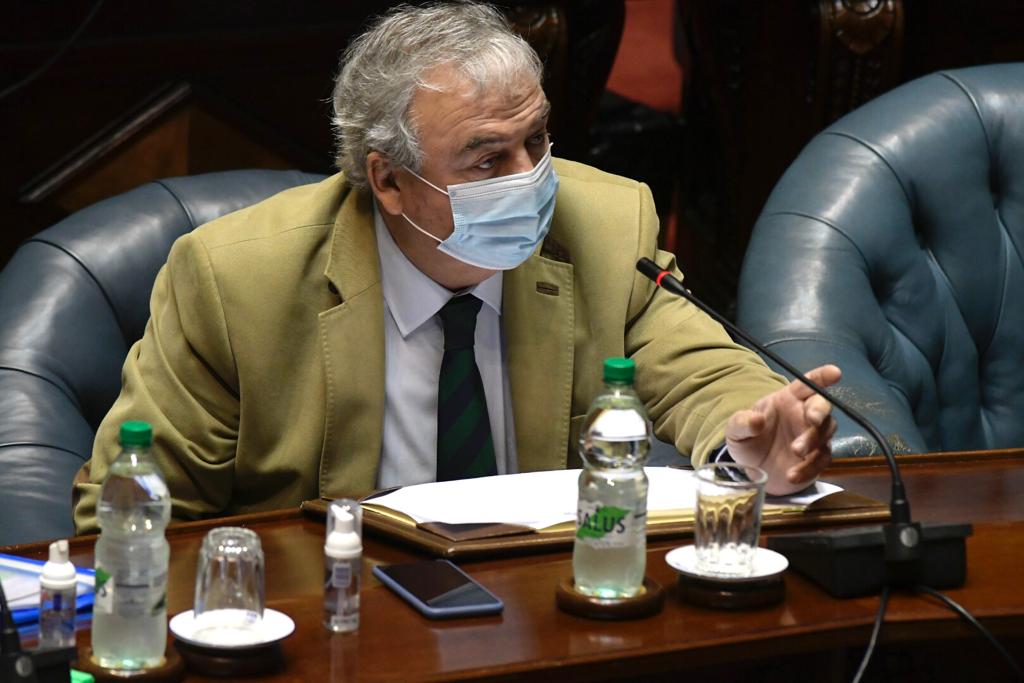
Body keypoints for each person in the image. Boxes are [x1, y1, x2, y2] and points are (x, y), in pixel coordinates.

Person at [72, 2, 839, 533]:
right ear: (389, 182)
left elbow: (703, 372)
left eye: (536, 140)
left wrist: (752, 436)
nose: (531, 175)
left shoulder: (605, 228)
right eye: (487, 158)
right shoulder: (234, 283)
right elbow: (135, 513)